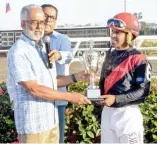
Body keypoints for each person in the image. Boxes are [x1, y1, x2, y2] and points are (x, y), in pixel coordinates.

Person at [6, 4, 91, 144]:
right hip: (34, 126)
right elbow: (34, 88)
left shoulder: (42, 48)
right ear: (22, 23)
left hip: (51, 121)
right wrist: (70, 96)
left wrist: (75, 77)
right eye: (34, 22)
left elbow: (50, 81)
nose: (40, 26)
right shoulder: (19, 51)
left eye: (42, 22)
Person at [99, 12, 152, 143]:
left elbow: (143, 91)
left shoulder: (139, 59)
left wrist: (116, 99)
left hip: (128, 115)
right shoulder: (109, 54)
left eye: (118, 32)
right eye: (113, 31)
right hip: (107, 112)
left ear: (129, 35)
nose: (113, 35)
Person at [41, 4, 73, 143]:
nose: (48, 20)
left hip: (58, 99)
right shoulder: (31, 40)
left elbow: (69, 57)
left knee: (57, 139)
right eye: (45, 16)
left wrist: (59, 55)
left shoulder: (62, 39)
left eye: (52, 17)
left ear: (56, 20)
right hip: (38, 99)